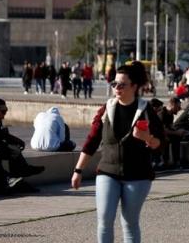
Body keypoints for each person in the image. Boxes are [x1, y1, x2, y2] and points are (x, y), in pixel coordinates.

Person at [71, 61, 164, 243]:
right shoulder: (108, 109)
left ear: (134, 86)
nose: (117, 88)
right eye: (114, 84)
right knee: (104, 221)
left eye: (122, 85)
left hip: (138, 175)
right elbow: (92, 141)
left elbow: (161, 145)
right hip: (108, 172)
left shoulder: (146, 111)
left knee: (129, 223)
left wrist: (147, 138)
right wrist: (78, 170)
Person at [0, 98, 45, 179]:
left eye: (6, 111)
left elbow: (1, 135)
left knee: (14, 148)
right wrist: (10, 143)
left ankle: (20, 173)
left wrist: (17, 142)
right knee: (8, 150)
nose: (4, 115)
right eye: (3, 112)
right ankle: (18, 173)